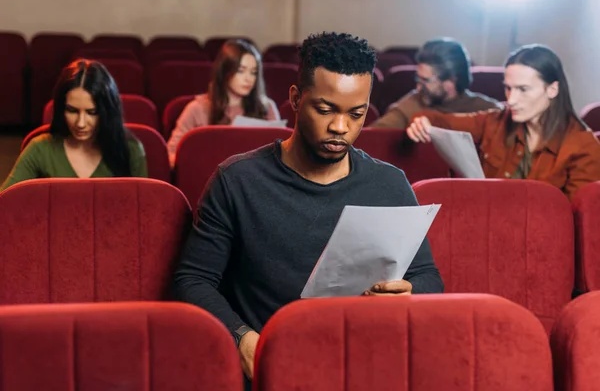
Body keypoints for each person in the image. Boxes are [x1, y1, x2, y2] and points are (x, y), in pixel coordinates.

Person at [173, 32, 444, 384]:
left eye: (356, 114)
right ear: (296, 98)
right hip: (272, 365)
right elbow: (191, 280)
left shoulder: (389, 184)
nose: (340, 127)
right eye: (325, 109)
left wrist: (410, 292)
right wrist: (242, 339)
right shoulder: (237, 180)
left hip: (362, 365)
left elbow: (428, 278)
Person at [407, 44, 600, 200]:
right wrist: (422, 120)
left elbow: (576, 222)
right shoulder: (497, 120)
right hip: (487, 224)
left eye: (523, 89)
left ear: (552, 90)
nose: (511, 99)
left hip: (539, 240)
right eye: (508, 88)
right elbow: (441, 120)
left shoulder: (584, 147)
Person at [1, 59, 147, 191]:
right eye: (72, 111)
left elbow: (144, 211)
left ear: (107, 112)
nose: (81, 123)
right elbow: (5, 203)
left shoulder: (131, 150)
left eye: (92, 112)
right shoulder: (40, 149)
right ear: (60, 109)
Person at [167, 39, 281, 165]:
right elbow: (171, 154)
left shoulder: (266, 106)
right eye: (241, 71)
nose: (249, 79)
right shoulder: (197, 108)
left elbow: (282, 156)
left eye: (253, 72)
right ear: (225, 71)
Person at [371, 37, 500, 129]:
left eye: (426, 81)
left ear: (451, 82)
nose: (418, 87)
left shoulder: (487, 110)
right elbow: (375, 136)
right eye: (418, 79)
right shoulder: (411, 104)